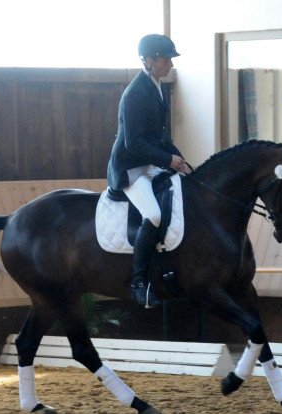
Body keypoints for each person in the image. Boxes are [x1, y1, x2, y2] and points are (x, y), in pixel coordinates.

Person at [107, 34, 190, 308]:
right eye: (165, 59)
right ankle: (139, 282)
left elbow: (159, 136)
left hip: (150, 163)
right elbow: (134, 142)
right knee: (153, 214)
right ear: (149, 60)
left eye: (169, 60)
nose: (169, 64)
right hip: (131, 170)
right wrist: (167, 160)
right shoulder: (135, 93)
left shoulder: (156, 86)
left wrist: (179, 158)